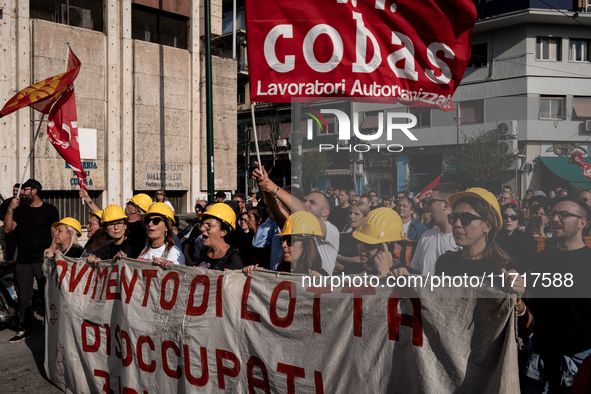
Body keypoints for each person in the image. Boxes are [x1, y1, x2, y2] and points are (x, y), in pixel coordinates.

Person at [431, 188, 531, 336]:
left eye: (466, 218)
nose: (457, 224)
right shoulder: (445, 263)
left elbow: (527, 328)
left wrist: (519, 302)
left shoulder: (505, 269)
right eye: (454, 217)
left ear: (487, 226)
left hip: (487, 355)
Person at [523, 197, 591, 392]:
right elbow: (531, 300)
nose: (554, 219)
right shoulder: (541, 259)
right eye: (552, 214)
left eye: (564, 214)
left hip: (579, 357)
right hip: (540, 358)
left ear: (582, 223)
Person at [5, 179, 59, 343]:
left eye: (25, 189)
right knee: (24, 298)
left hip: (42, 260)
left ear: (34, 191)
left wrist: (53, 252)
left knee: (46, 295)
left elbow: (55, 234)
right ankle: (24, 328)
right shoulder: (20, 210)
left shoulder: (50, 209)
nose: (21, 192)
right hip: (23, 260)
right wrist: (10, 209)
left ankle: (51, 328)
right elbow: (8, 229)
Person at [245, 211, 327, 276]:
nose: (283, 244)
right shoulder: (280, 272)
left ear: (307, 244)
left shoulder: (320, 276)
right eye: (282, 239)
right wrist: (254, 274)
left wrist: (321, 283)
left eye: (290, 241)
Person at [409, 183, 461, 275]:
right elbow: (416, 274)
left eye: (431, 201)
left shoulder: (463, 241)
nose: (427, 206)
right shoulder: (425, 237)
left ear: (445, 205)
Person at [344, 208, 404, 276]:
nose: (361, 248)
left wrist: (384, 272)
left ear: (387, 247)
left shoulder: (400, 274)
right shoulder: (350, 269)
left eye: (369, 244)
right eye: (359, 241)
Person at [196, 203, 245, 270]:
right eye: (202, 225)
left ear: (223, 232)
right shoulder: (204, 251)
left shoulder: (234, 257)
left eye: (209, 226)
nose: (202, 229)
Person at [137, 203, 185, 267]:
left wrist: (169, 266)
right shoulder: (145, 250)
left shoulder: (174, 252)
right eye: (148, 220)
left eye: (156, 221)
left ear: (166, 227)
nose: (150, 224)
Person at [495, 203, 536, 270]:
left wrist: (524, 234)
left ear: (518, 220)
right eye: (505, 217)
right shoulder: (495, 236)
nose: (509, 220)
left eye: (513, 217)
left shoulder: (524, 235)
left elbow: (531, 261)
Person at [335, 202, 370, 273]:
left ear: (365, 217)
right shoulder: (342, 237)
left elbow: (361, 260)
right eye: (350, 213)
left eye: (356, 214)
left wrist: (338, 259)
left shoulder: (368, 239)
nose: (351, 216)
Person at [0, 183, 20, 260]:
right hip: (10, 232)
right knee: (10, 250)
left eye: (17, 191)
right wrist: (7, 218)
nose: (15, 192)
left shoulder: (25, 202)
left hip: (22, 230)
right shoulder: (7, 202)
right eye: (14, 190)